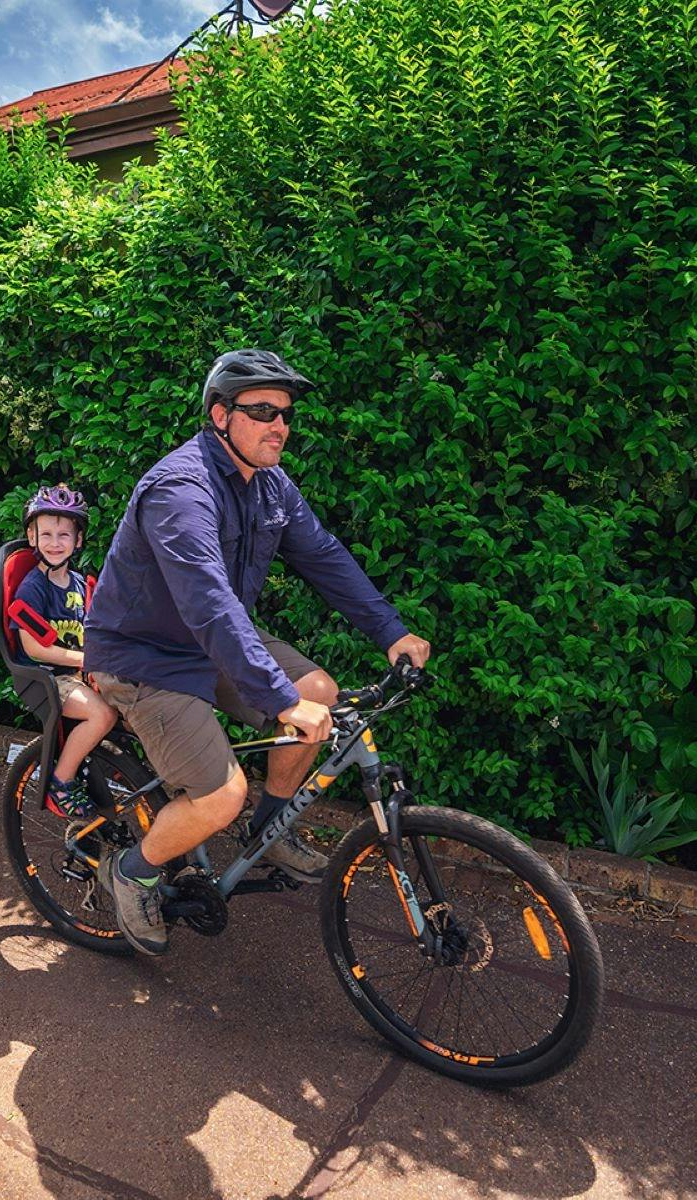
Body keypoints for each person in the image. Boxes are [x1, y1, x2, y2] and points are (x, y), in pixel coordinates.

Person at [83, 349, 432, 955]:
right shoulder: (180, 490)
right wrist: (278, 700)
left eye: (286, 414)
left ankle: (266, 829)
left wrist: (390, 631)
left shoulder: (270, 486)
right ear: (220, 416)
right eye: (263, 411)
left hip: (215, 641)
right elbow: (210, 603)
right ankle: (130, 872)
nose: (281, 426)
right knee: (221, 793)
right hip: (146, 658)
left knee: (318, 692)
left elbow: (323, 557)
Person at [7, 484, 119, 819]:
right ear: (32, 537)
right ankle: (61, 781)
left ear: (78, 540)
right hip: (49, 678)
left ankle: (114, 765)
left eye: (64, 535)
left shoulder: (77, 584)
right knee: (102, 715)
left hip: (77, 674)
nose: (55, 543)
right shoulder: (33, 588)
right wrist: (86, 660)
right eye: (47, 534)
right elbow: (35, 648)